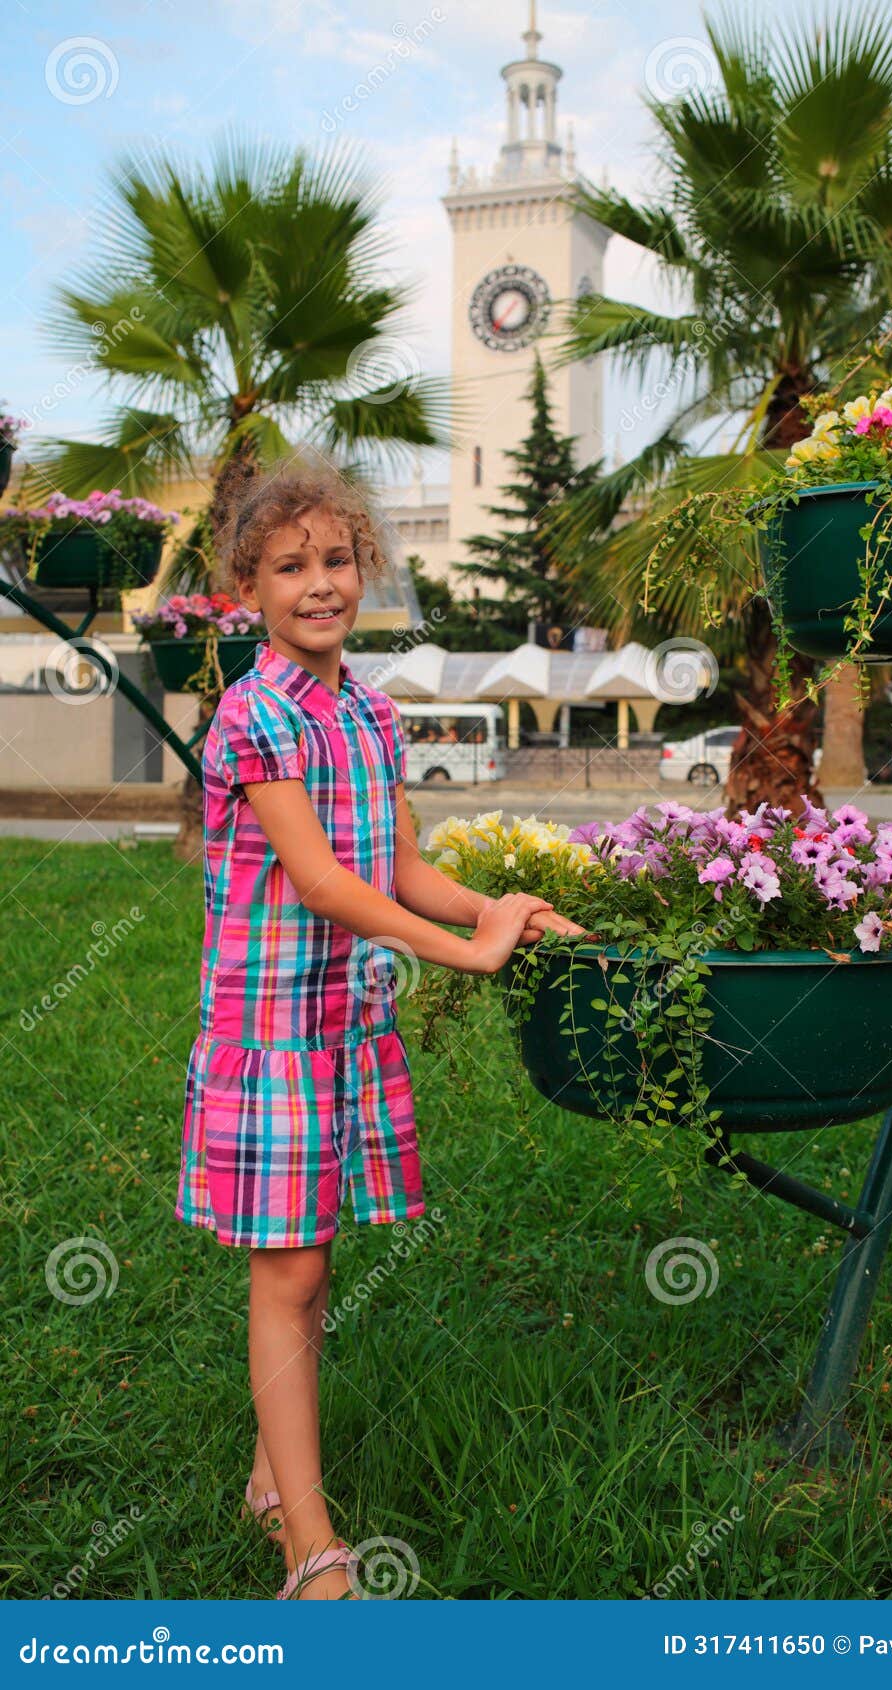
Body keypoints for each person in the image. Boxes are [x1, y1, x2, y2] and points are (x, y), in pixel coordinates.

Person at [174, 462, 584, 1600]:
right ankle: (310, 1548)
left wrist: (497, 909)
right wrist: (459, 954)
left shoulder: (365, 708)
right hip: (268, 1034)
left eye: (337, 560)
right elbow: (317, 881)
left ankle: (271, 1473)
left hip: (341, 1025)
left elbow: (395, 865)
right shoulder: (253, 714)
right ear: (246, 585)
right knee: (289, 1273)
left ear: (367, 567)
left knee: (314, 1265)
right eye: (290, 567)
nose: (319, 585)